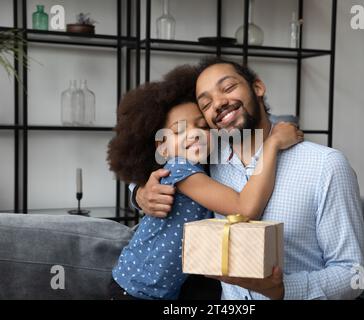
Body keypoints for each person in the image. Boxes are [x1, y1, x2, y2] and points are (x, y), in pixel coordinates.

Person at [133, 57, 364, 300]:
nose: (219, 103)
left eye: (228, 88)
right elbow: (157, 162)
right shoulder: (208, 157)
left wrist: (284, 289)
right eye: (206, 103)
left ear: (258, 87)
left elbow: (353, 274)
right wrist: (139, 193)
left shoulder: (325, 165)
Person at [106, 65, 303, 300]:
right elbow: (244, 208)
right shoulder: (180, 169)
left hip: (169, 291)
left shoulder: (209, 157)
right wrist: (272, 145)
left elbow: (252, 122)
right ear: (163, 146)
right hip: (135, 289)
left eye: (201, 126)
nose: (193, 134)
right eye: (178, 131)